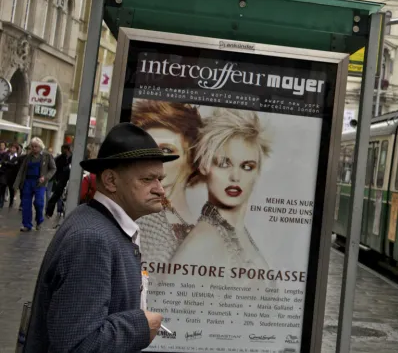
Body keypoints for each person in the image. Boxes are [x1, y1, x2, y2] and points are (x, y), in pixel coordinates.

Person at [22, 122, 172, 352]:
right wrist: (141, 325)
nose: (160, 189)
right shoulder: (92, 239)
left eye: (160, 179)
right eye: (147, 179)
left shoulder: (100, 224)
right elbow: (78, 345)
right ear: (111, 180)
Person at [172, 108, 271, 268]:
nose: (235, 176)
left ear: (257, 171)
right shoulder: (201, 242)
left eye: (247, 166)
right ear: (205, 166)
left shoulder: (237, 232)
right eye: (224, 164)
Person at [132, 101, 204, 265]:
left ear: (191, 158)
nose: (155, 160)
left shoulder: (207, 222)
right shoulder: (143, 221)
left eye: (167, 150)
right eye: (148, 150)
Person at [13, 137, 57, 232]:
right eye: (32, 146)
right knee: (26, 204)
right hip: (28, 182)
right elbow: (21, 171)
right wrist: (16, 185)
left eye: (36, 146)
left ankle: (39, 220)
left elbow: (53, 168)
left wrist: (45, 177)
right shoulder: (28, 157)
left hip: (40, 183)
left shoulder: (47, 156)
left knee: (39, 203)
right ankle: (27, 224)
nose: (33, 148)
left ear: (40, 146)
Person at [45, 144, 72, 218]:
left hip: (69, 180)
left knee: (61, 196)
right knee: (56, 195)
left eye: (64, 149)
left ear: (67, 149)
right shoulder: (59, 158)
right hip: (61, 179)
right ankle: (49, 212)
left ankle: (60, 210)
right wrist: (56, 179)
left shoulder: (72, 158)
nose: (62, 151)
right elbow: (55, 169)